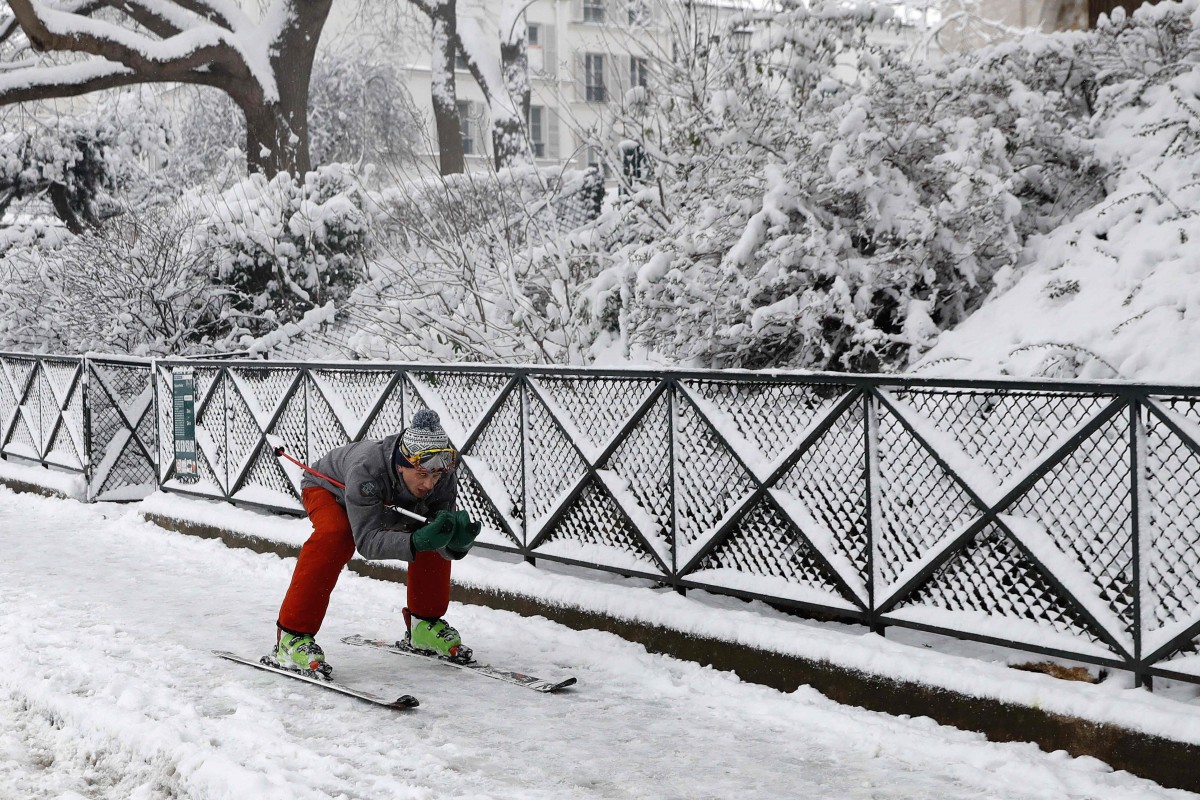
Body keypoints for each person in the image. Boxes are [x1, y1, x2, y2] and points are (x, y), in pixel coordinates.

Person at [272, 409, 482, 676]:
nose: (430, 484)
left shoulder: (441, 475)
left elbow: (440, 532)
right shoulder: (367, 469)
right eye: (422, 474)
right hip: (329, 488)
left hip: (381, 499)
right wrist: (416, 540)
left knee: (434, 528)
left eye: (436, 476)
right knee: (336, 536)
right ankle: (291, 636)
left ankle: (423, 625)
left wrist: (454, 545)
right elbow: (367, 541)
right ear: (402, 464)